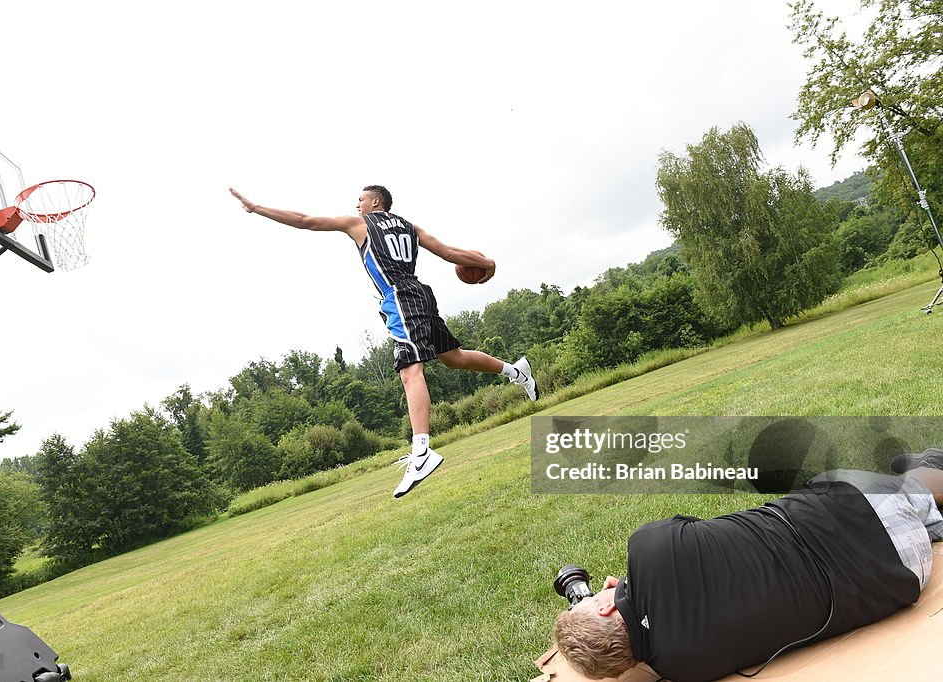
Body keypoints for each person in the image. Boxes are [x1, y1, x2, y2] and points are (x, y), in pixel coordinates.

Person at [228, 185, 539, 498]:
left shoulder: (360, 225)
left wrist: (257, 208)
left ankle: (422, 452)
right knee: (453, 358)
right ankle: (518, 373)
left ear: (375, 202)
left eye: (360, 199)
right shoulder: (410, 226)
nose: (356, 204)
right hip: (420, 293)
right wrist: (488, 264)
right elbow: (450, 254)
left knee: (409, 370)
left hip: (399, 298)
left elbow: (305, 220)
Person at [553, 452, 943, 682]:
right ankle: (924, 473)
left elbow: (674, 618)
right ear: (604, 605)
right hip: (863, 508)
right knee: (903, 486)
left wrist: (631, 601)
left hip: (903, 576)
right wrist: (628, 586)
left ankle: (929, 518)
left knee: (909, 511)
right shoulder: (648, 546)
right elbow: (704, 538)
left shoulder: (682, 669)